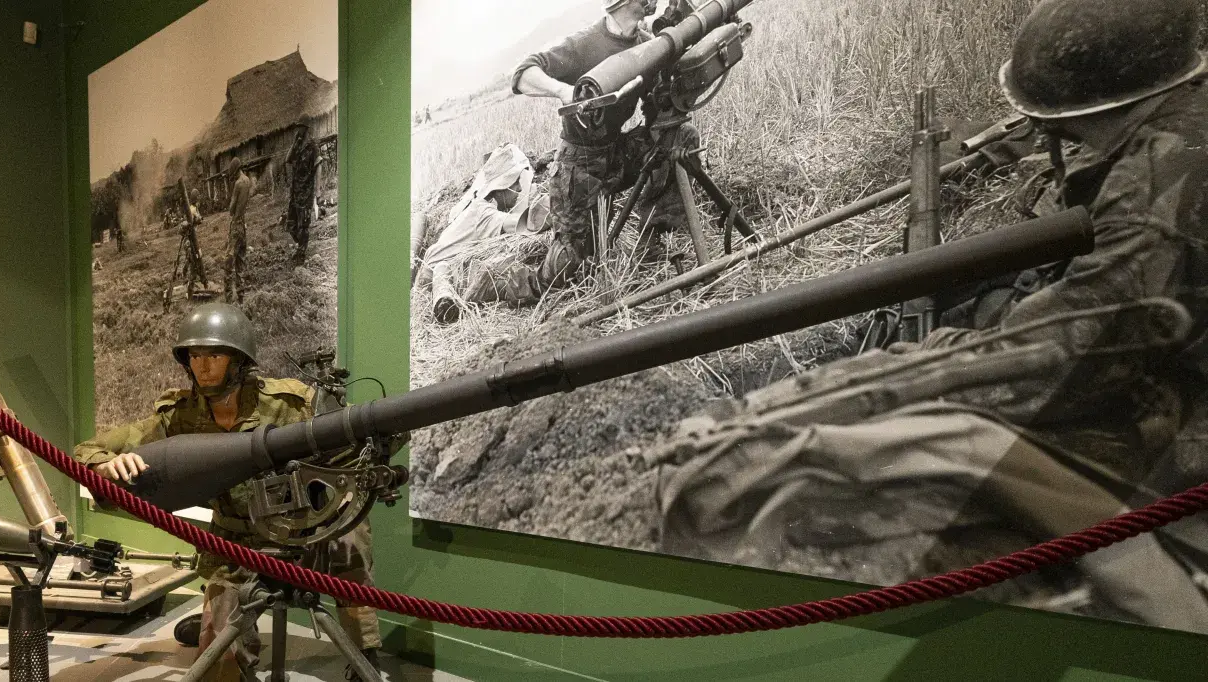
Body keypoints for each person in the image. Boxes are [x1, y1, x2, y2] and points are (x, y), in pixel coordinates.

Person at [651, 0, 1208, 633]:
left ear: (1099, 108)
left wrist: (812, 402)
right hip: (1161, 376)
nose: (1058, 148)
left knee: (840, 506)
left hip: (1180, 452)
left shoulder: (1159, 194)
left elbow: (1058, 359)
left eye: (1067, 134)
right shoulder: (1183, 121)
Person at [73, 303, 380, 681]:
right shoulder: (181, 414)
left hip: (302, 531)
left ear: (238, 360)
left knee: (350, 535)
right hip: (234, 540)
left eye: (214, 355)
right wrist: (103, 465)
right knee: (219, 663)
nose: (202, 365)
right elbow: (88, 449)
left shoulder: (289, 405)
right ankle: (213, 627)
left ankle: (365, 650)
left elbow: (345, 448)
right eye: (195, 355)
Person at [512, 0, 700, 282]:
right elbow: (523, 73)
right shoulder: (585, 45)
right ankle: (493, 284)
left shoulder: (646, 45)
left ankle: (650, 240)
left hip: (615, 153)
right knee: (567, 271)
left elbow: (656, 111)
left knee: (681, 137)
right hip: (579, 168)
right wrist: (565, 91)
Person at [283, 125, 320, 265]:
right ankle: (301, 246)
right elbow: (287, 159)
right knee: (291, 224)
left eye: (300, 127)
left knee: (303, 226)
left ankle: (301, 254)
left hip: (306, 193)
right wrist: (294, 144)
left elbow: (319, 165)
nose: (298, 130)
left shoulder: (313, 147)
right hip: (295, 193)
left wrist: (318, 191)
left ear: (305, 128)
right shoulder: (297, 146)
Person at [225, 162, 256, 303]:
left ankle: (228, 298)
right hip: (243, 224)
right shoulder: (248, 181)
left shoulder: (238, 184)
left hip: (236, 225)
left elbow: (231, 208)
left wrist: (232, 208)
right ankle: (241, 296)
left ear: (235, 171)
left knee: (229, 261)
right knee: (241, 261)